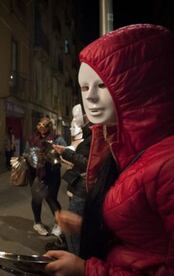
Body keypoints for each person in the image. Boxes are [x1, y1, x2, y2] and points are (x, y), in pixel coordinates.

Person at [45, 24, 174, 275]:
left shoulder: (167, 163)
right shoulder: (121, 148)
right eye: (84, 87)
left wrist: (87, 270)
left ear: (139, 86)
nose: (90, 97)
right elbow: (144, 237)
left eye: (102, 85)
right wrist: (86, 226)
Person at [48, 104, 91, 254]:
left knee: (74, 232)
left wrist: (66, 153)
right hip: (77, 185)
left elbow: (89, 163)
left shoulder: (94, 137)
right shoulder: (88, 136)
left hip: (82, 187)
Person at [26, 117, 67, 237]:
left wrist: (54, 153)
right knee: (36, 199)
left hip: (52, 173)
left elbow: (65, 153)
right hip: (37, 173)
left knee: (51, 198)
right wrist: (32, 157)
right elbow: (26, 153)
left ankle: (59, 223)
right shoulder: (33, 138)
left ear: (49, 127)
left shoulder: (57, 138)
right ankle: (37, 223)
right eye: (39, 125)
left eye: (44, 126)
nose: (41, 128)